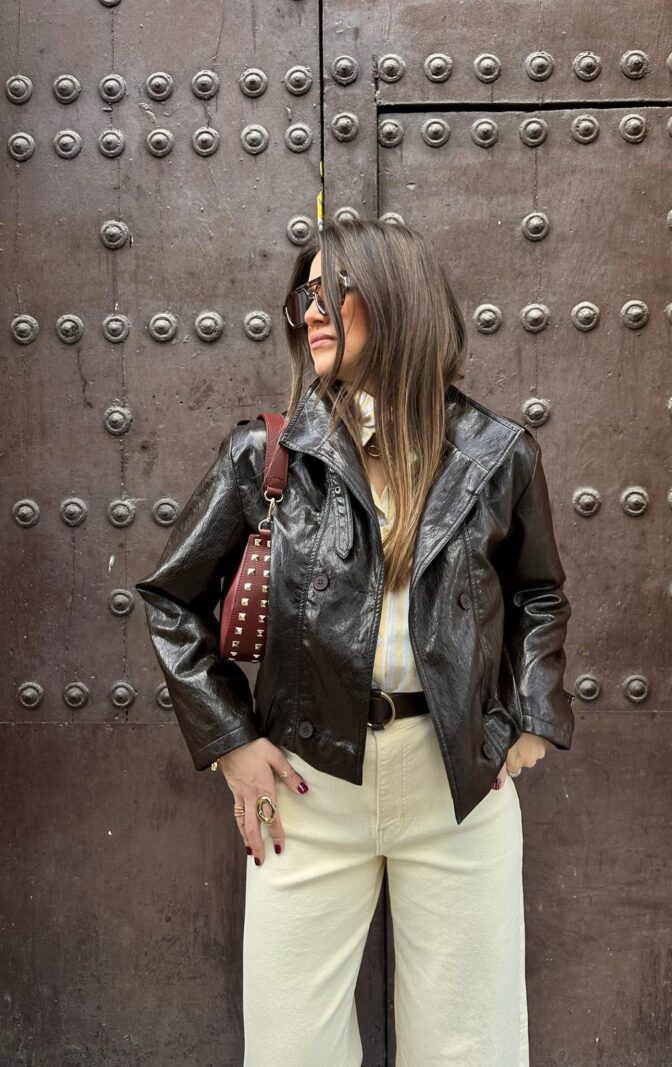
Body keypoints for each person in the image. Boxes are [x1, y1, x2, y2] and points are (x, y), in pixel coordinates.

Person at [135, 216, 574, 1066]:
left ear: (399, 297)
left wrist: (530, 713)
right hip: (308, 787)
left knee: (470, 1045)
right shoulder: (268, 455)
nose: (311, 310)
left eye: (334, 289)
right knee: (292, 1045)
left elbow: (538, 591)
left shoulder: (497, 454)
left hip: (458, 784)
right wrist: (232, 742)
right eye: (304, 295)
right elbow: (169, 598)